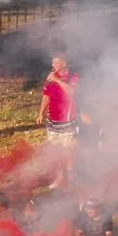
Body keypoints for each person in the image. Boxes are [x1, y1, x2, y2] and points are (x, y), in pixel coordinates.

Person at [36, 53, 79, 189]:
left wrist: (57, 80)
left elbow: (71, 92)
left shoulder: (73, 77)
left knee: (68, 151)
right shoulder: (50, 79)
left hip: (66, 120)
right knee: (56, 151)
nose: (53, 65)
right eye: (52, 62)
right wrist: (40, 113)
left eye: (56, 62)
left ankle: (72, 180)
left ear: (64, 64)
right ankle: (60, 177)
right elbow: (46, 96)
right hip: (52, 120)